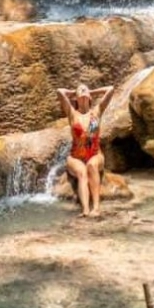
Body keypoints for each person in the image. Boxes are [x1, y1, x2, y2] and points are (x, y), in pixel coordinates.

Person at [57, 83, 116, 217]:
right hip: (75, 157)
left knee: (91, 165)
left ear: (90, 97)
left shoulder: (97, 111)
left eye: (85, 89)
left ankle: (96, 208)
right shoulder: (72, 113)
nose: (83, 89)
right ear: (75, 99)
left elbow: (110, 89)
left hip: (95, 154)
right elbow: (60, 91)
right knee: (82, 172)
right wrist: (74, 92)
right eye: (80, 89)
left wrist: (91, 91)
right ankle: (85, 210)